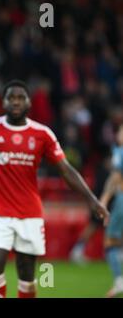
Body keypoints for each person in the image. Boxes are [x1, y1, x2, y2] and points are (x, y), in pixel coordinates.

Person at [0, 80, 109, 298]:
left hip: (30, 213)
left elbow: (66, 170)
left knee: (27, 275)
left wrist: (92, 200)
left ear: (29, 102)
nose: (15, 102)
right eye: (11, 97)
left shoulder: (42, 134)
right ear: (3, 102)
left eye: (20, 97)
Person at [99, 123, 123, 297]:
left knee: (110, 241)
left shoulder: (120, 152)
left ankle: (119, 282)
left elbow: (115, 177)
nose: (119, 134)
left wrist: (104, 200)